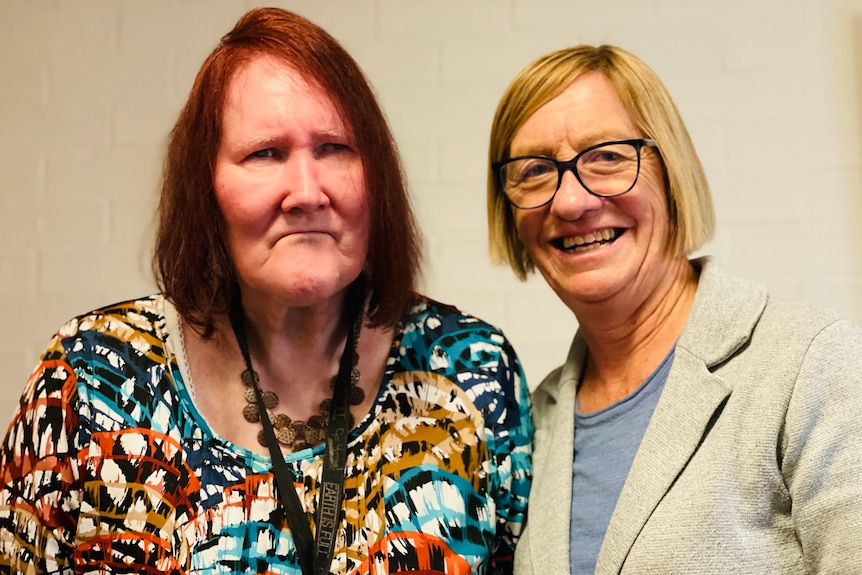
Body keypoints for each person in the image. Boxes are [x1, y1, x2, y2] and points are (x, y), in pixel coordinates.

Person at [0, 8, 532, 574]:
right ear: (206, 189)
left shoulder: (473, 371)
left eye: (334, 148)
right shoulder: (90, 382)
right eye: (266, 153)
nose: (306, 191)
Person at [485, 44, 862, 574]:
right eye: (535, 171)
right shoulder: (531, 425)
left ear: (671, 171)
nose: (570, 202)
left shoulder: (812, 367)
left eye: (608, 156)